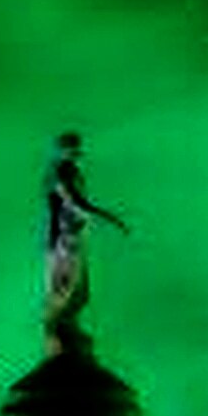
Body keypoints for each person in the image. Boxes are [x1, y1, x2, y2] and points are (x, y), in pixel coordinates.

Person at [41, 131, 124, 346]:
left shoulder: (67, 169)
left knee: (74, 289)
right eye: (72, 148)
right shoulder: (60, 171)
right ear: (63, 149)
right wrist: (110, 219)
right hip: (64, 238)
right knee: (68, 288)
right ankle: (58, 332)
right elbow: (74, 203)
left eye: (76, 147)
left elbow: (75, 203)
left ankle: (66, 330)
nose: (76, 152)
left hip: (70, 235)